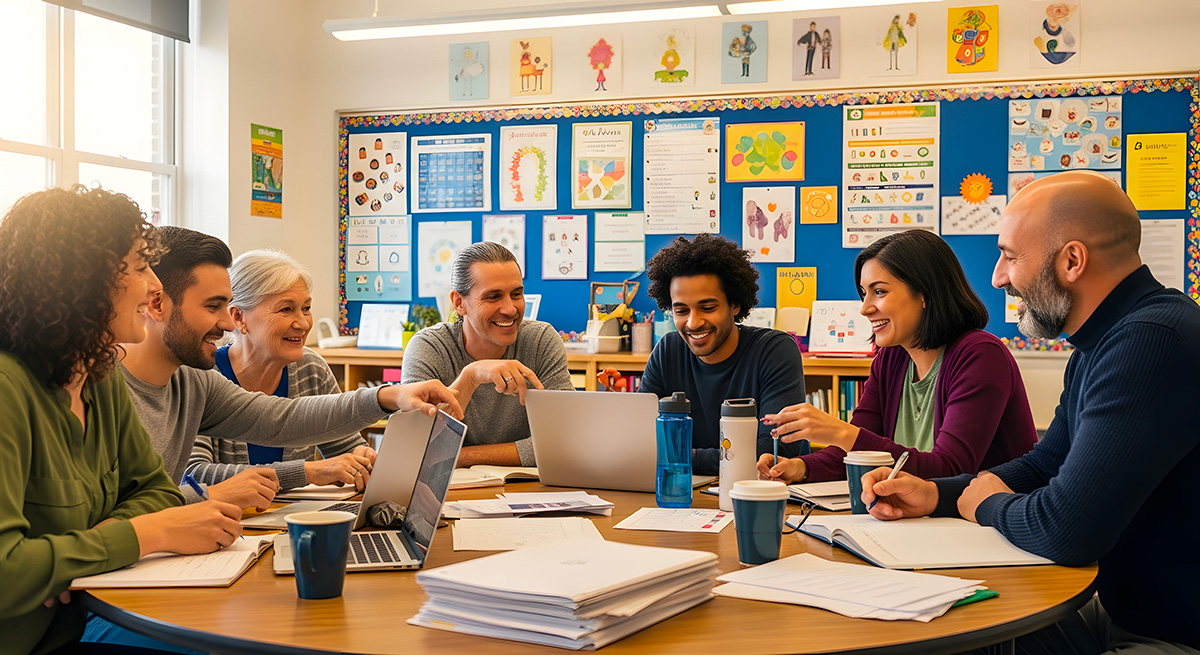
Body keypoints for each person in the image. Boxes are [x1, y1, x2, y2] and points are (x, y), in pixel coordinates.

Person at [862, 171, 1200, 653]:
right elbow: (1045, 465)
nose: (998, 277)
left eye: (1010, 256)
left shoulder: (1151, 341)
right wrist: (934, 494)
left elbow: (1066, 530)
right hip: (1123, 610)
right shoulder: (1103, 341)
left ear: (1072, 261)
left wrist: (984, 504)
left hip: (1170, 635)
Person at [0, 186, 244, 654]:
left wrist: (82, 550)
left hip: (73, 625)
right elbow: (7, 572)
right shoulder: (9, 389)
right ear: (80, 281)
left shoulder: (100, 375)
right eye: (139, 268)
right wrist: (149, 533)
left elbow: (158, 490)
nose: (154, 286)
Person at [119, 227, 461, 510]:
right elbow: (146, 503)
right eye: (213, 307)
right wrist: (306, 472)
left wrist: (388, 397)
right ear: (155, 304)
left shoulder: (193, 381)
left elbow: (282, 418)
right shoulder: (116, 386)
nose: (226, 323)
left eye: (306, 308)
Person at [758, 229, 1036, 484]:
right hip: (919, 516)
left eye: (879, 292)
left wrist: (841, 433)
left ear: (925, 293)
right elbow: (859, 451)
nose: (865, 308)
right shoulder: (890, 359)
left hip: (990, 516)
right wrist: (800, 467)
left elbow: (951, 469)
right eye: (864, 293)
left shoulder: (980, 355)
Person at [187, 249, 375, 493]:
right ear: (238, 317)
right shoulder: (200, 375)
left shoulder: (311, 370)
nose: (303, 323)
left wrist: (360, 458)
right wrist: (308, 472)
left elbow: (345, 446)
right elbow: (194, 476)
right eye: (286, 309)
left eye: (306, 308)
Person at [635, 233, 807, 476]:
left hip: (757, 491)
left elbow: (775, 451)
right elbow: (641, 439)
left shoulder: (774, 351)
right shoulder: (667, 350)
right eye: (681, 311)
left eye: (707, 308)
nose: (693, 323)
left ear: (734, 304)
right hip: (688, 489)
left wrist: (682, 456)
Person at [401, 242, 572, 467]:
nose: (510, 309)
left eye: (516, 294)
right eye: (493, 297)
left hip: (527, 484)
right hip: (449, 487)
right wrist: (470, 376)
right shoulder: (429, 348)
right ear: (459, 303)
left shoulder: (540, 341)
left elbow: (565, 440)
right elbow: (416, 448)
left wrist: (460, 457)